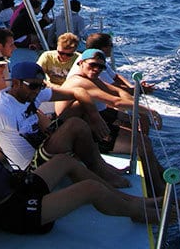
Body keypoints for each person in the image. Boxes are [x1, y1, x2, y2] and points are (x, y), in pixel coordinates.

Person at [0, 74, 163, 235]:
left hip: (17, 187)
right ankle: (140, 213)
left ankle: (137, 201)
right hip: (12, 210)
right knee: (90, 189)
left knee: (64, 161)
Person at [0, 62, 126, 187]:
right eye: (33, 86)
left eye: (41, 86)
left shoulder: (32, 93)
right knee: (75, 125)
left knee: (80, 106)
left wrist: (95, 117)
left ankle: (100, 165)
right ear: (16, 83)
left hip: (44, 146)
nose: (37, 91)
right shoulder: (0, 110)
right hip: (32, 169)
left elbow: (78, 92)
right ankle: (98, 171)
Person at [57, 49, 167, 195]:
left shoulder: (93, 79)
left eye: (101, 67)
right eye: (93, 64)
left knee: (143, 138)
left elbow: (118, 92)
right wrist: (150, 111)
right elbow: (115, 101)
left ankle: (157, 173)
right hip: (78, 137)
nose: (97, 69)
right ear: (81, 63)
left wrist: (138, 110)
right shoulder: (79, 81)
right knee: (143, 144)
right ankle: (158, 190)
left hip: (90, 128)